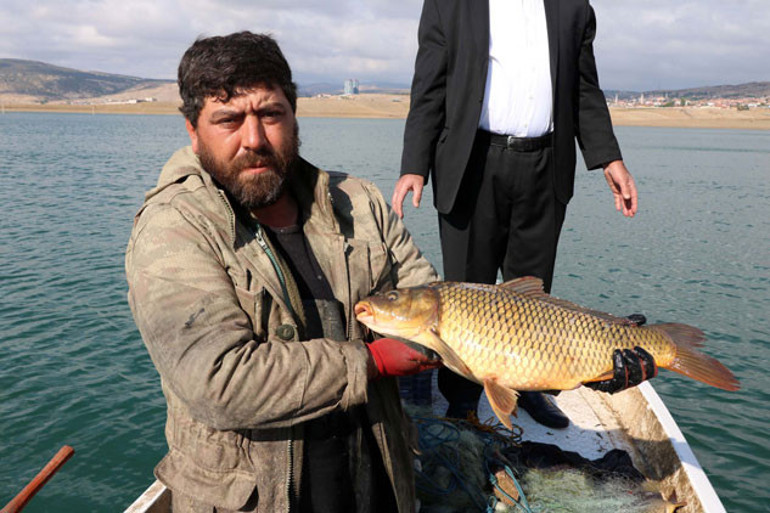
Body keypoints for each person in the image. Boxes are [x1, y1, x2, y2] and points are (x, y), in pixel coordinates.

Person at [125, 31, 442, 513]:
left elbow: (431, 301)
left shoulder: (359, 203)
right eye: (228, 120)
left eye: (270, 115)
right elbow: (219, 381)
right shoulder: (173, 229)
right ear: (193, 130)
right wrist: (371, 361)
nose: (254, 139)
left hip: (377, 487)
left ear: (294, 115)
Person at [393, 0, 640, 429]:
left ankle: (532, 390)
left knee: (532, 293)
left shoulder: (573, 8)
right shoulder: (449, 4)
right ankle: (462, 399)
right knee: (465, 291)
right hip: (470, 164)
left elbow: (585, 89)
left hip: (546, 164)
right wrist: (415, 164)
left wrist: (609, 158)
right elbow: (429, 87)